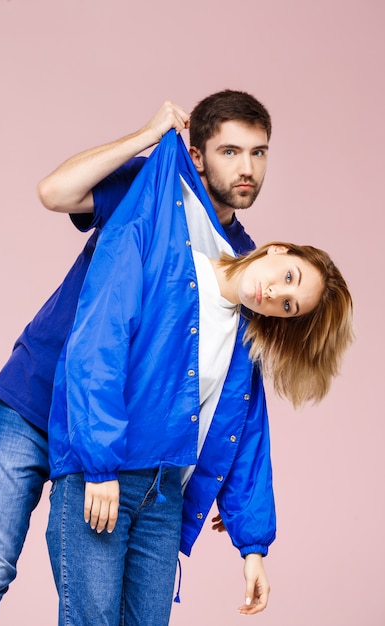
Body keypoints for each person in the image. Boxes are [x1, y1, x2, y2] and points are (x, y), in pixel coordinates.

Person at [0, 90, 272, 625]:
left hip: (113, 437)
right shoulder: (150, 187)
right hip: (35, 403)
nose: (246, 167)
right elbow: (53, 191)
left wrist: (248, 532)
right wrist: (145, 138)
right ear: (197, 154)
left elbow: (234, 395)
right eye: (230, 151)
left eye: (258, 152)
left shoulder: (243, 263)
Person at [44, 129, 353, 626]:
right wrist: (99, 467)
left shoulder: (243, 341)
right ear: (276, 250)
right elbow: (97, 345)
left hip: (165, 496)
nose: (276, 293)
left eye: (290, 305)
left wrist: (253, 548)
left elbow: (248, 437)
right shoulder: (171, 257)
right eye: (290, 276)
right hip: (104, 475)